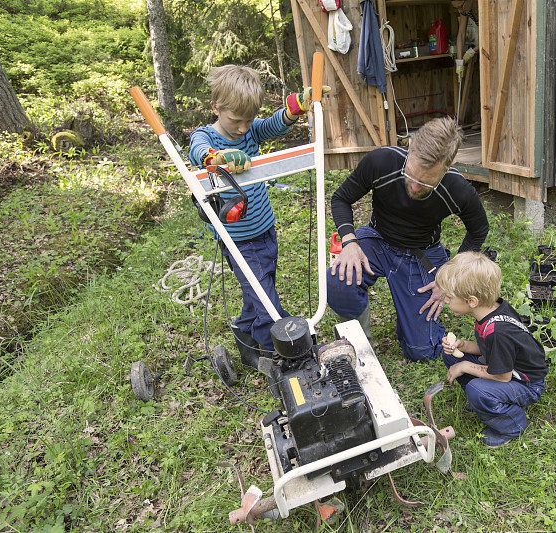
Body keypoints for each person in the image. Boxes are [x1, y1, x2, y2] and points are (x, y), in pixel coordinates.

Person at [189, 64, 328, 368]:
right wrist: (218, 158)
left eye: (248, 120)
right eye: (235, 120)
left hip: (265, 229)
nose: (242, 128)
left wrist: (296, 107)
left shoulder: (250, 129)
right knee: (266, 300)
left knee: (262, 286)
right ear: (216, 107)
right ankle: (284, 355)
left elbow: (272, 126)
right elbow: (197, 150)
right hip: (237, 239)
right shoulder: (206, 136)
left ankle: (245, 335)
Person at [328, 117, 489, 362]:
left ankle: (416, 324)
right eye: (411, 175)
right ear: (410, 146)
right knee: (340, 280)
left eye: (425, 182)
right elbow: (341, 198)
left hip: (421, 253)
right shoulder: (381, 161)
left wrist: (448, 277)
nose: (414, 187)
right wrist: (349, 242)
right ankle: (360, 342)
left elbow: (478, 231)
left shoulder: (458, 190)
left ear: (449, 165)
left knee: (423, 352)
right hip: (377, 238)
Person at [436, 252, 547, 448]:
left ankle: (511, 424)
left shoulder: (498, 332)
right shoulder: (491, 311)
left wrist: (465, 365)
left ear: (471, 301)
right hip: (504, 367)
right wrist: (462, 345)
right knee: (452, 357)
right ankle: (487, 400)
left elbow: (503, 376)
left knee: (476, 388)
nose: (445, 300)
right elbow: (485, 348)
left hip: (527, 383)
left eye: (448, 297)